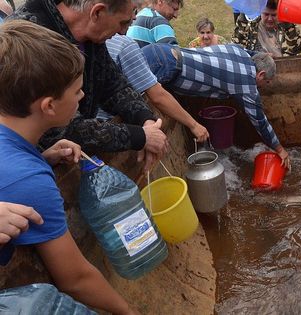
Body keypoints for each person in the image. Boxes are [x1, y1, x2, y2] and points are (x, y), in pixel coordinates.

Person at [0, 20, 137, 314]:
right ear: (49, 106)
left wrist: (40, 156)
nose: (83, 97)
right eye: (77, 91)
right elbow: (75, 279)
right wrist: (129, 312)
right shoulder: (31, 182)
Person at [11, 0, 167, 172]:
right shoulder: (31, 42)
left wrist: (145, 120)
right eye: (123, 23)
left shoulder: (90, 34)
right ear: (97, 12)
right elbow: (64, 128)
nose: (123, 33)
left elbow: (113, 84)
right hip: (26, 169)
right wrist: (139, 136)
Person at [142, 43, 292, 168]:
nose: (264, 87)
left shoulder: (241, 52)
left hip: (161, 50)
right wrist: (280, 149)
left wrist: (266, 56)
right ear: (260, 74)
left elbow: (254, 53)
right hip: (164, 66)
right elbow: (260, 121)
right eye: (266, 82)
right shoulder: (246, 84)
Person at [105, 34, 209, 142]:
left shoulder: (97, 44)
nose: (134, 19)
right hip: (110, 129)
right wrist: (194, 125)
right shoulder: (124, 45)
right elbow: (157, 95)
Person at [232, 0, 301, 57]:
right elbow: (236, 47)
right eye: (266, 14)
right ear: (260, 12)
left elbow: (298, 49)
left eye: (273, 15)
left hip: (283, 66)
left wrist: (288, 26)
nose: (270, 19)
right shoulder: (248, 23)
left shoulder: (287, 25)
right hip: (256, 66)